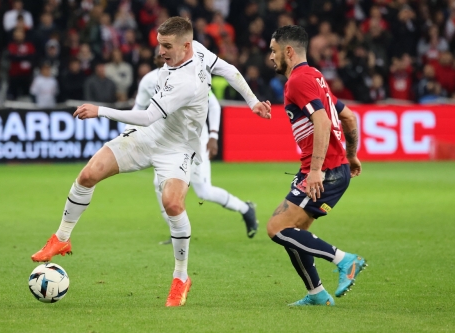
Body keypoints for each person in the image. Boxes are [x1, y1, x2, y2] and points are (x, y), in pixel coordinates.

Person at [31, 17, 271, 307]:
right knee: (88, 175)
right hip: (148, 136)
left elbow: (146, 115)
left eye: (167, 47)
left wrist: (101, 111)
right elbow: (231, 71)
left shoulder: (187, 82)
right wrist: (253, 101)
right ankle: (61, 237)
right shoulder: (196, 50)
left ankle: (180, 277)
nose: (161, 52)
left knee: (173, 204)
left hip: (177, 148)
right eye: (160, 45)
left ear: (185, 46)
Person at [267, 25, 366, 306]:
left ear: (289, 51)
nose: (271, 57)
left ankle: (345, 260)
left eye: (274, 51)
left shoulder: (299, 81)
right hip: (335, 168)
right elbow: (349, 118)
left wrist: (315, 171)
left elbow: (322, 121)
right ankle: (316, 294)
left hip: (324, 171)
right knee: (295, 233)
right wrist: (352, 154)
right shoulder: (317, 79)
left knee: (277, 228)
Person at [131, 46, 259, 244]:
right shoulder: (149, 81)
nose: (162, 56)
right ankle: (175, 232)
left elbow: (214, 105)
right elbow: (138, 109)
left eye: (165, 51)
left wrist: (214, 136)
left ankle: (245, 209)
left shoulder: (190, 74)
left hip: (196, 139)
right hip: (169, 141)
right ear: (155, 59)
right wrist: (127, 134)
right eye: (158, 53)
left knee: (203, 191)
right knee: (159, 183)